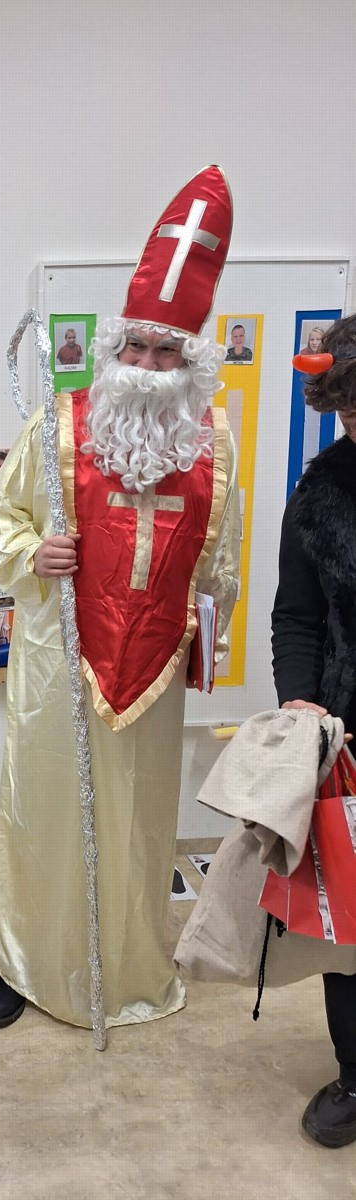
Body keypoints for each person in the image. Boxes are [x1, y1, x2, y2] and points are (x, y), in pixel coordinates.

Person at [0, 165, 241, 1031]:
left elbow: (222, 564)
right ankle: (24, 961)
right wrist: (35, 552)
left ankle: (126, 962)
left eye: (168, 352)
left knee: (136, 827)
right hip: (61, 660)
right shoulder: (57, 427)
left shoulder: (213, 448)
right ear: (114, 350)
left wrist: (205, 631)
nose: (150, 367)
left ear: (191, 362)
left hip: (153, 671)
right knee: (46, 811)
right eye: (138, 349)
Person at [272, 310, 356, 1148]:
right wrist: (300, 701)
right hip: (348, 738)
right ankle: (355, 1072)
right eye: (352, 414)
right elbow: (296, 614)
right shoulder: (321, 491)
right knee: (350, 923)